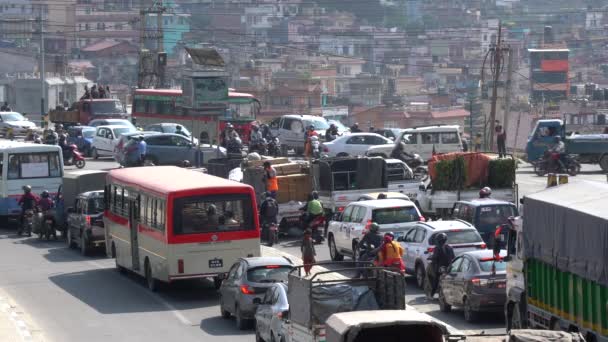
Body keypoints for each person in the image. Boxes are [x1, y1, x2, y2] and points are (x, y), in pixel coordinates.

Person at [429, 232, 455, 297]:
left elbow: (435, 257)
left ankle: (432, 294)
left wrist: (431, 258)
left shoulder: (437, 248)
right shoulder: (450, 247)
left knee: (435, 279)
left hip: (440, 268)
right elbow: (453, 257)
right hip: (449, 267)